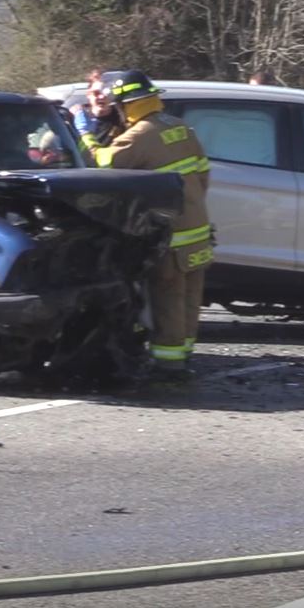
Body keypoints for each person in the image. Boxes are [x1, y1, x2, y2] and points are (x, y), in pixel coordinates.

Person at [79, 70, 213, 379]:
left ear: (128, 105)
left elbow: (103, 162)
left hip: (173, 235)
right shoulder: (179, 127)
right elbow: (203, 175)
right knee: (191, 299)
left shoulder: (141, 134)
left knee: (169, 299)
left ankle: (168, 366)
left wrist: (84, 133)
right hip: (198, 228)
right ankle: (184, 355)